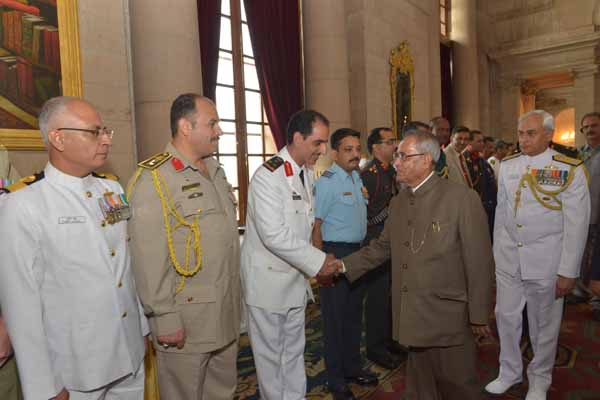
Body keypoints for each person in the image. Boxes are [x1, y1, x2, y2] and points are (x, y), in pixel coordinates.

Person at [0, 96, 149, 400]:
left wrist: (141, 329)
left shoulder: (112, 189)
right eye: (94, 132)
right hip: (75, 368)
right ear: (58, 138)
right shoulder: (23, 204)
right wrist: (43, 387)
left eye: (105, 131)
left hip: (128, 352)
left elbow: (124, 267)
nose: (106, 140)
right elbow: (21, 305)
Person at [335, 130, 494, 399]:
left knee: (458, 386)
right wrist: (340, 266)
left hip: (448, 318)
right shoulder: (399, 202)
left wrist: (479, 315)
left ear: (426, 160)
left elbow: (479, 261)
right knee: (421, 389)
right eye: (396, 155)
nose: (396, 162)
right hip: (412, 316)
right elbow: (382, 247)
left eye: (403, 156)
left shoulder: (461, 199)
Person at [127, 94, 241, 399]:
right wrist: (164, 317)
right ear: (184, 127)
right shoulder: (155, 179)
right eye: (212, 123)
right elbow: (148, 259)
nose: (219, 131)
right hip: (186, 322)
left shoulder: (215, 170)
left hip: (225, 314)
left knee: (222, 391)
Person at [485, 110, 590, 400]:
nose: (523, 140)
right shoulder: (508, 165)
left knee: (543, 323)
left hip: (547, 261)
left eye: (530, 134)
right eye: (520, 133)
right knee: (505, 317)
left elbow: (577, 224)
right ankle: (509, 372)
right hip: (509, 260)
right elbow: (503, 213)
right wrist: (498, 255)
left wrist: (568, 270)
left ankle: (540, 379)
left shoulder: (568, 168)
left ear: (549, 134)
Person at [240, 109, 337, 400]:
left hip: (294, 280)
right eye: (317, 143)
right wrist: (319, 263)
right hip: (268, 285)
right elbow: (274, 235)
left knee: (294, 353)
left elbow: (304, 225)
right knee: (271, 361)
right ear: (297, 138)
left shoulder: (304, 172)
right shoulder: (268, 176)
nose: (322, 150)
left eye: (324, 143)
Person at [312, 128, 377, 399]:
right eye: (348, 149)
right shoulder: (327, 181)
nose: (355, 154)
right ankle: (335, 378)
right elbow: (315, 226)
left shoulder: (355, 177)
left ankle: (352, 367)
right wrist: (319, 265)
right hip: (334, 254)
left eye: (357, 149)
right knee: (335, 321)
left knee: (352, 317)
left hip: (356, 255)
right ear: (335, 153)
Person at [360, 127, 406, 371]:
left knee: (391, 294)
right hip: (376, 240)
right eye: (389, 142)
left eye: (394, 141)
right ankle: (376, 348)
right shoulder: (370, 173)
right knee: (378, 298)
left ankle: (390, 340)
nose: (394, 146)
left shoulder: (390, 171)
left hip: (391, 238)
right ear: (376, 147)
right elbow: (365, 215)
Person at [464, 130, 497, 237]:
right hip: (474, 207)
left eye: (482, 141)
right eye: (479, 141)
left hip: (487, 205)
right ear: (470, 142)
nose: (482, 144)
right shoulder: (464, 160)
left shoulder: (481, 160)